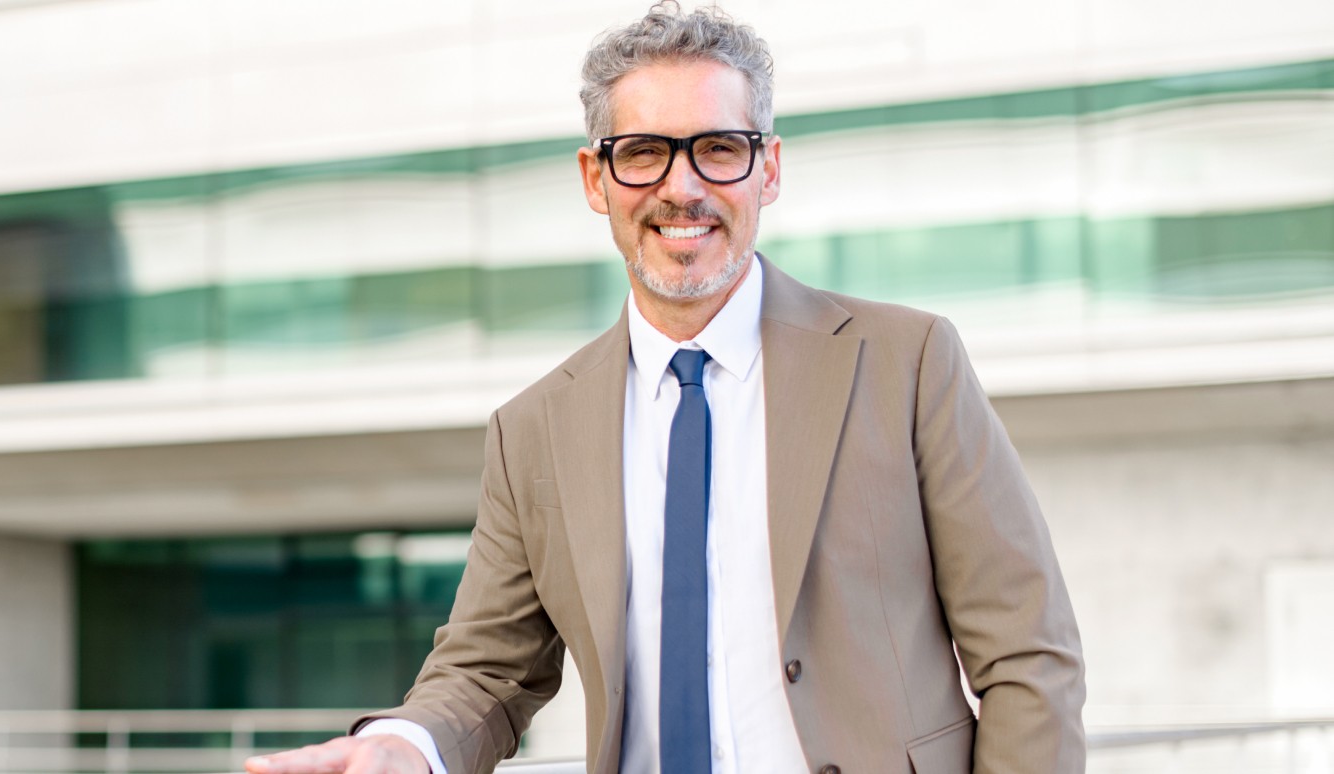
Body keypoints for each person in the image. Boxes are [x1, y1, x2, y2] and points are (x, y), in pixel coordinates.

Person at [245, 3, 1085, 773]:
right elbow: (486, 672)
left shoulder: (908, 362)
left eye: (719, 148)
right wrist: (404, 747)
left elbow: (1027, 654)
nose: (682, 187)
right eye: (643, 153)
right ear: (594, 179)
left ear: (769, 169)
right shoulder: (533, 429)